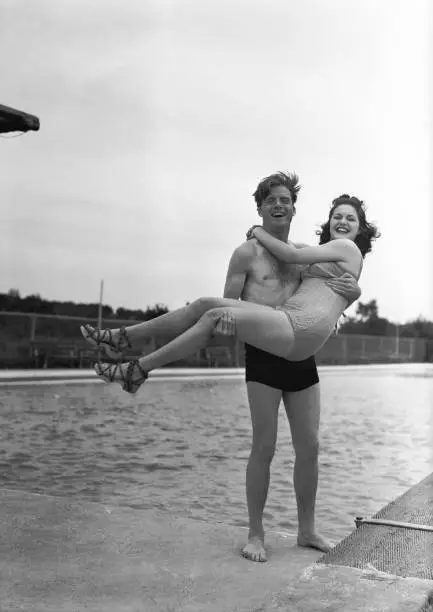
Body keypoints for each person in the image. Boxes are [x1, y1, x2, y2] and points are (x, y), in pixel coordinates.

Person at [80, 173, 379, 559]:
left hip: (299, 352)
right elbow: (234, 304)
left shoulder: (318, 254)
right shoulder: (257, 254)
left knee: (311, 447)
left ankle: (307, 530)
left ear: (294, 207)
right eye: (270, 201)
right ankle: (256, 534)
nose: (278, 206)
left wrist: (352, 295)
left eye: (350, 218)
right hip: (268, 348)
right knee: (261, 441)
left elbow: (320, 287)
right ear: (260, 206)